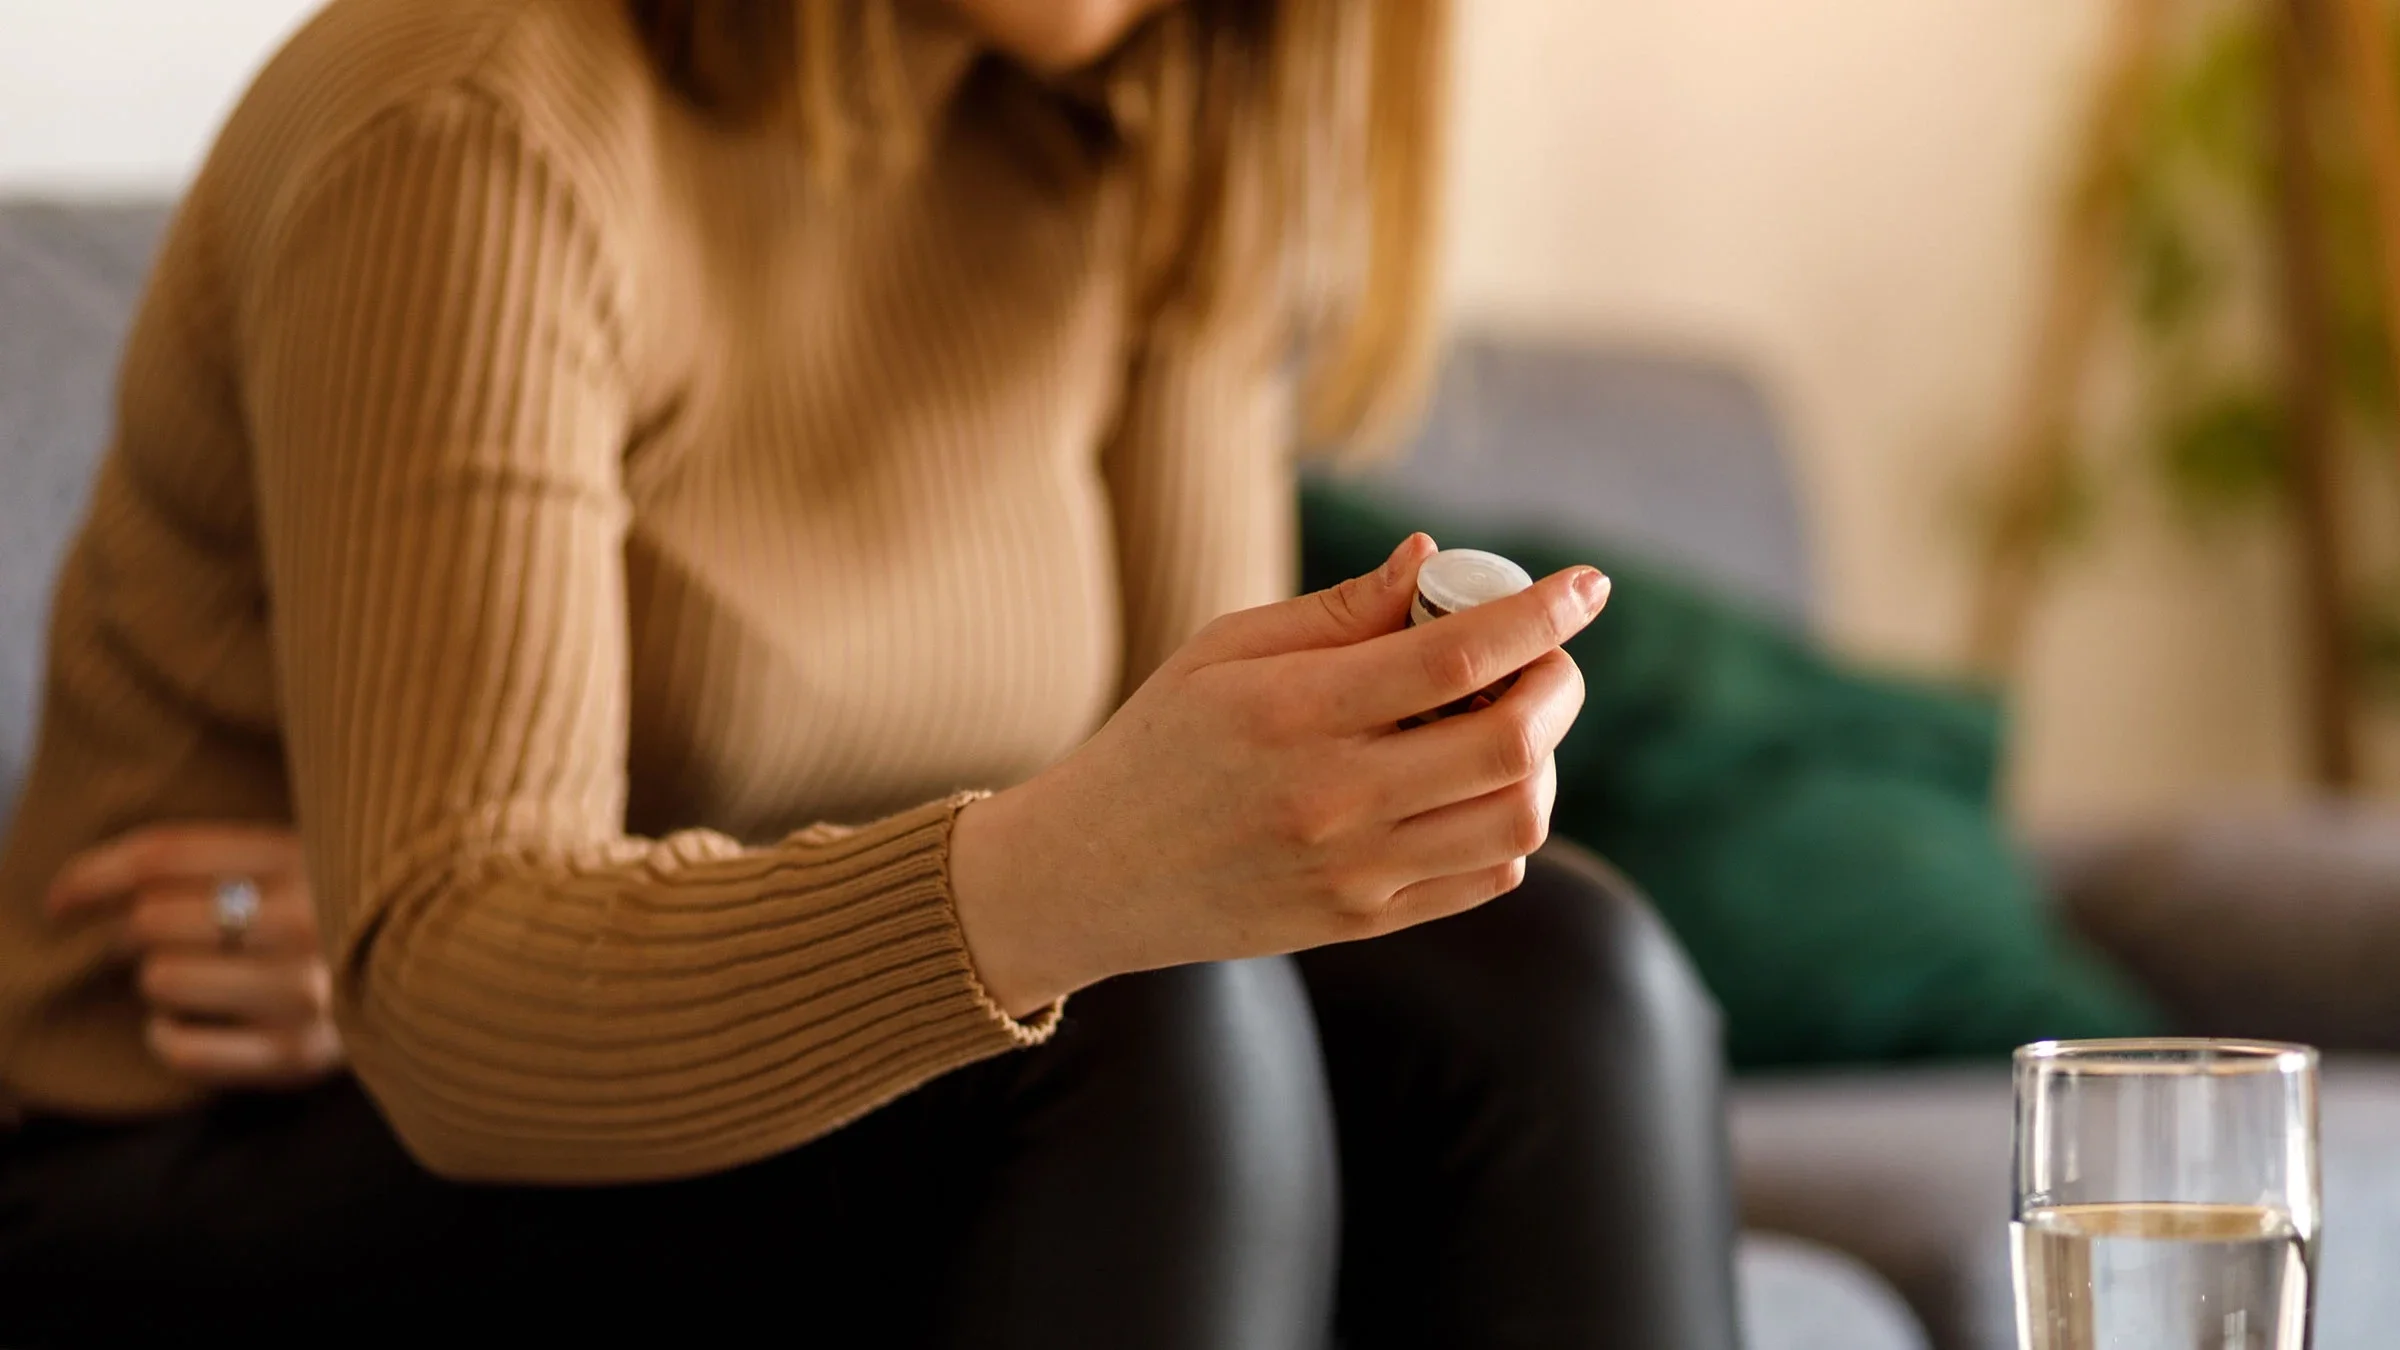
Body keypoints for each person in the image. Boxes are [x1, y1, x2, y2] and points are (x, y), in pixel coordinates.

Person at [0, 0, 1736, 1345]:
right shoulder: (476, 111)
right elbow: (462, 995)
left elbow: (1186, 866)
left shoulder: (1142, 149)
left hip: (670, 1069)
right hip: (199, 1157)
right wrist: (445, 953)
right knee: (1147, 1017)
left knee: (1556, 978)